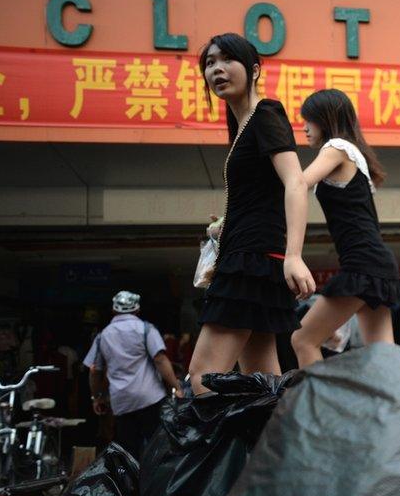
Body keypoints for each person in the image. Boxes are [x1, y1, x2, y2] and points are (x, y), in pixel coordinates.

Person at [187, 33, 316, 394]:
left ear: (255, 70)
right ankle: (282, 449)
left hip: (253, 261)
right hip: (252, 257)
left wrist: (294, 255)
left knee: (202, 379)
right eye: (209, 63)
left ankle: (228, 452)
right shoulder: (243, 126)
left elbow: (296, 183)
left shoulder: (266, 113)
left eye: (227, 59)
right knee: (263, 384)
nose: (216, 69)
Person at [291, 89, 400, 367]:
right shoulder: (353, 153)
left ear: (325, 118)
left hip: (363, 264)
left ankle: (320, 410)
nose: (304, 127)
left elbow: (298, 183)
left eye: (308, 120)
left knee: (302, 340)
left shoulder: (336, 148)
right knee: (383, 357)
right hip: (375, 263)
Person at [84, 291, 182, 461]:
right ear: (137, 310)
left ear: (114, 311)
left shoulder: (103, 336)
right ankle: (156, 485)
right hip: (150, 399)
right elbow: (159, 359)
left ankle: (133, 485)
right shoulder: (146, 329)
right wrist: (176, 386)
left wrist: (97, 397)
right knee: (156, 448)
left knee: (128, 453)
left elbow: (94, 371)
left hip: (122, 402)